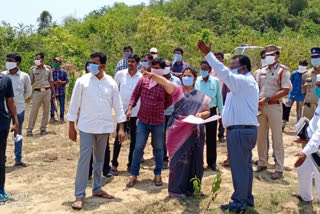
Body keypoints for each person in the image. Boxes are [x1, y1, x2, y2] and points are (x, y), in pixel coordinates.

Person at [198, 40, 259, 212]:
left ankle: (239, 203)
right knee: (245, 167)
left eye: (233, 66)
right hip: (244, 130)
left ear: (244, 68)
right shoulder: (243, 85)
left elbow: (224, 73)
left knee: (239, 169)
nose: (229, 68)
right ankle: (247, 198)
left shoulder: (242, 81)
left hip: (240, 132)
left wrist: (208, 56)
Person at [67, 52, 126, 210]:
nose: (90, 65)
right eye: (90, 62)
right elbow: (74, 104)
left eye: (94, 63)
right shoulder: (82, 81)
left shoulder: (111, 83)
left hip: (104, 127)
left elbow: (118, 106)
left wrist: (121, 128)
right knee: (84, 160)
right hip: (86, 126)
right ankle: (79, 195)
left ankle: (97, 188)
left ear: (103, 66)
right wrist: (71, 126)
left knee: (100, 160)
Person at [141, 65, 210, 199]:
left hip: (195, 132)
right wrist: (152, 76)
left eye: (189, 76)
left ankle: (193, 189)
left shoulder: (201, 96)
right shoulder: (177, 90)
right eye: (184, 75)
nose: (186, 78)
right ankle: (177, 191)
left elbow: (207, 111)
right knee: (179, 160)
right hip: (178, 131)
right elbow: (165, 82)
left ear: (195, 78)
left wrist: (201, 115)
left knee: (196, 160)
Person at [126, 58, 172, 188]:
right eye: (154, 67)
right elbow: (135, 96)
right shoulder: (143, 80)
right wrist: (130, 109)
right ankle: (134, 174)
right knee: (138, 147)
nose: (156, 69)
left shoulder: (165, 84)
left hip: (158, 121)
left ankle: (157, 174)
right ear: (151, 67)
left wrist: (160, 108)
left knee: (158, 148)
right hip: (143, 120)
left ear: (162, 70)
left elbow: (169, 100)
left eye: (159, 68)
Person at [254, 45, 291, 180]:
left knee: (277, 138)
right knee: (261, 136)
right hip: (261, 107)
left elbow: (286, 89)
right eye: (267, 54)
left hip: (274, 106)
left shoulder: (283, 70)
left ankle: (279, 168)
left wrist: (268, 98)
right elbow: (258, 88)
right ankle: (262, 162)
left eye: (272, 54)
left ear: (277, 56)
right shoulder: (262, 71)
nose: (269, 57)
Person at [111, 54, 142, 175]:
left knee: (134, 140)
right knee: (119, 138)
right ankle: (114, 164)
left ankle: (130, 164)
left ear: (137, 64)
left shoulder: (141, 76)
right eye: (129, 61)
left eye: (133, 61)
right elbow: (114, 89)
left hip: (136, 112)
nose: (130, 63)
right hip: (121, 111)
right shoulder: (120, 74)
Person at [293, 74, 320, 202]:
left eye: (319, 85)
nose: (317, 88)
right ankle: (306, 197)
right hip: (310, 145)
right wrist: (305, 135)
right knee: (303, 170)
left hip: (316, 149)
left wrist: (304, 152)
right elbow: (315, 122)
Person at [2, 53, 32, 167]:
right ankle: (2, 159)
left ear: (17, 63)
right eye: (7, 60)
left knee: (18, 134)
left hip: (19, 109)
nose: (8, 62)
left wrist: (19, 101)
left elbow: (28, 91)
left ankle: (18, 159)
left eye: (10, 60)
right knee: (2, 135)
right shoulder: (3, 75)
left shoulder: (24, 76)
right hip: (4, 110)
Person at [195, 60, 223, 171]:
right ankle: (199, 162)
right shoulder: (196, 80)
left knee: (211, 137)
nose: (203, 71)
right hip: (199, 112)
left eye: (205, 69)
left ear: (210, 70)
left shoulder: (215, 81)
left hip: (211, 112)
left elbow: (219, 98)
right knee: (199, 137)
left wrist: (221, 112)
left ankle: (212, 162)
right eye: (201, 68)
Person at [0, 72, 19, 201]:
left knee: (0, 156)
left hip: (1, 123)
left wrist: (15, 120)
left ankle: (0, 188)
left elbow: (10, 100)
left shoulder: (5, 80)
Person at [27, 52, 56, 136]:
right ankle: (29, 129)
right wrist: (28, 94)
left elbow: (51, 81)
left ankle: (43, 128)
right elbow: (30, 82)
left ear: (42, 60)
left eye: (37, 59)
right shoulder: (32, 69)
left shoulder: (48, 68)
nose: (36, 60)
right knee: (33, 111)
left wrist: (53, 93)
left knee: (46, 111)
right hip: (37, 92)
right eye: (35, 59)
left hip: (47, 91)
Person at [162, 60, 181, 169]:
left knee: (174, 136)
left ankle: (174, 157)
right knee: (162, 137)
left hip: (174, 113)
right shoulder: (158, 80)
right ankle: (164, 158)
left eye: (167, 66)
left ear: (171, 69)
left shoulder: (177, 80)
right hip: (162, 113)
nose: (165, 68)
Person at [282, 60, 308, 130]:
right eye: (301, 64)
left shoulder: (307, 75)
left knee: (299, 112)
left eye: (303, 65)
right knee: (286, 109)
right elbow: (289, 82)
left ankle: (298, 128)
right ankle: (282, 125)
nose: (302, 66)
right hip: (292, 94)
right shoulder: (294, 73)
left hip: (301, 96)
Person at [302, 47, 320, 120]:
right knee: (307, 129)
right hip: (308, 108)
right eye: (313, 57)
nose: (314, 59)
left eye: (317, 57)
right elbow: (304, 91)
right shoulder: (306, 74)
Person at [50, 57, 69, 122]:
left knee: (62, 105)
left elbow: (67, 81)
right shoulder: (51, 71)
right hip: (53, 90)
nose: (55, 63)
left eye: (57, 62)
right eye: (54, 61)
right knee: (52, 104)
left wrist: (61, 82)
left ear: (60, 63)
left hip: (61, 91)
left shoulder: (64, 72)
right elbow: (49, 81)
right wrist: (55, 83)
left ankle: (61, 117)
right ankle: (52, 117)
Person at [214, 52, 227, 143]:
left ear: (222, 59)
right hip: (212, 97)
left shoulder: (226, 70)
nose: (218, 59)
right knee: (212, 115)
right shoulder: (210, 71)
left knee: (222, 115)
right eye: (216, 58)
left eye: (219, 57)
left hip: (224, 95)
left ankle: (221, 134)